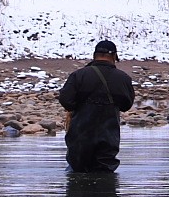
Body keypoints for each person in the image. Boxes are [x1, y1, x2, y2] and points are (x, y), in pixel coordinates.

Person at [58, 40, 135, 172]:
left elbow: (65, 100)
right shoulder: (123, 78)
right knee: (105, 172)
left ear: (94, 55)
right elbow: (126, 105)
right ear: (114, 56)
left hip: (80, 136)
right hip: (109, 137)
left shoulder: (79, 75)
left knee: (77, 172)